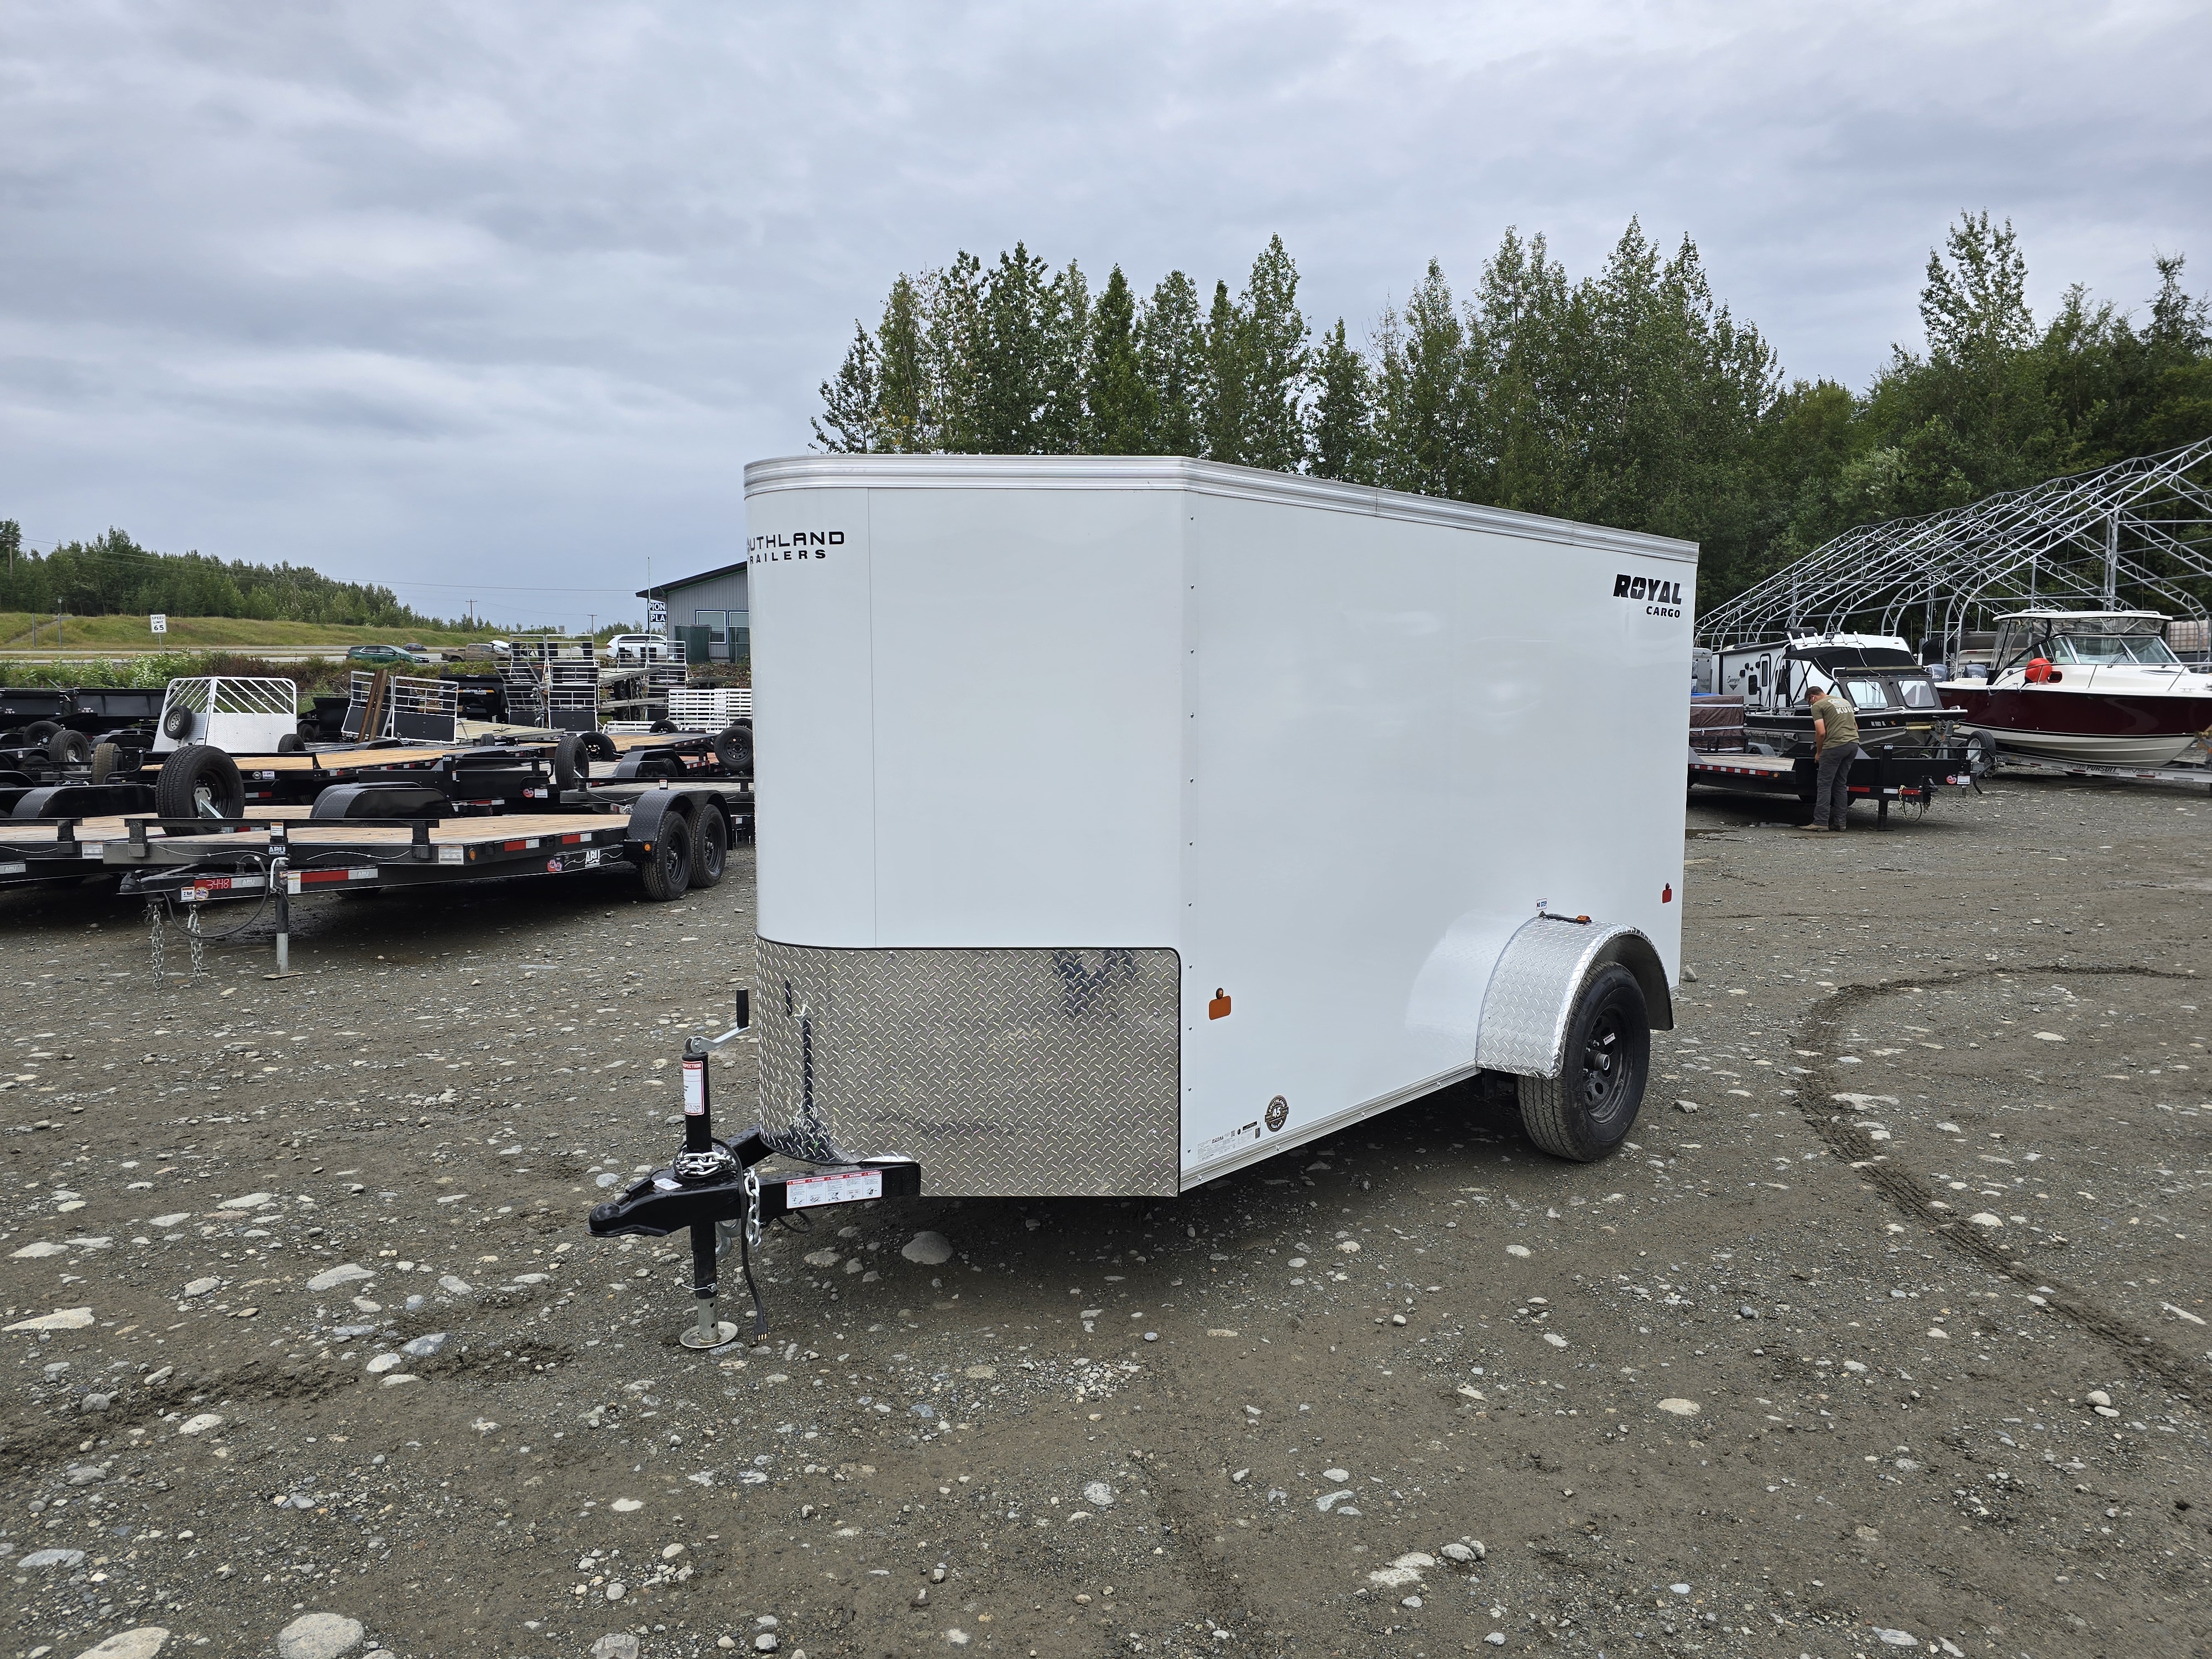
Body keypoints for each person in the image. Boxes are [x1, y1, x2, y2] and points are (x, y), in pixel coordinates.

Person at [1801, 685, 1861, 832]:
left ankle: (1821, 822)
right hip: (1853, 745)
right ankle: (1840, 823)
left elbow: (1821, 732)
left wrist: (1819, 752)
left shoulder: (1818, 706)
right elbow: (1856, 728)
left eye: (1810, 702)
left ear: (1813, 697)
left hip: (1834, 747)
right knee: (1840, 785)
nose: (1811, 705)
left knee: (1824, 785)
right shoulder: (1844, 702)